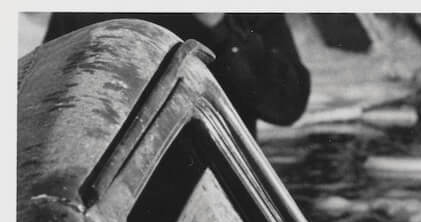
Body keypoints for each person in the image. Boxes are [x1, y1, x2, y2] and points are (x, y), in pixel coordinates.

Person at [43, 12, 310, 137]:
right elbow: (45, 106)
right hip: (106, 193)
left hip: (216, 195)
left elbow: (288, 105)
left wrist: (220, 28)